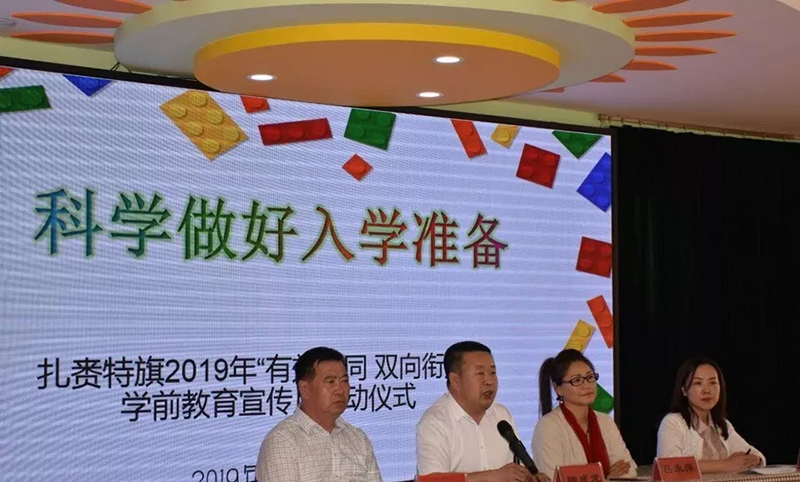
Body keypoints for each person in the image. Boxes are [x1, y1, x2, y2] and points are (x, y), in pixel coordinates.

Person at [416, 341, 548, 482]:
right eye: (480, 373)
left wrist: (528, 477)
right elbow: (432, 480)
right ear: (455, 380)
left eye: (492, 373)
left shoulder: (502, 415)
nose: (489, 381)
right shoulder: (435, 423)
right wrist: (494, 476)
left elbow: (513, 471)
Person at [255, 347, 383, 482]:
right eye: (330, 381)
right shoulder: (282, 440)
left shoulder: (358, 438)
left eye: (344, 381)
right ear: (304, 389)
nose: (340, 390)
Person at [532, 349, 637, 479]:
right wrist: (607, 479)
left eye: (590, 377)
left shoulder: (605, 421)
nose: (587, 385)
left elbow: (629, 469)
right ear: (558, 389)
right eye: (577, 380)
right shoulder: (548, 426)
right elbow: (553, 478)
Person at [657, 356, 765, 473]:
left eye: (713, 382)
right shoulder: (673, 422)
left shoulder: (722, 425)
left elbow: (755, 454)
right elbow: (668, 466)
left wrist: (755, 460)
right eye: (698, 383)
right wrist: (725, 465)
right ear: (683, 390)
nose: (707, 390)